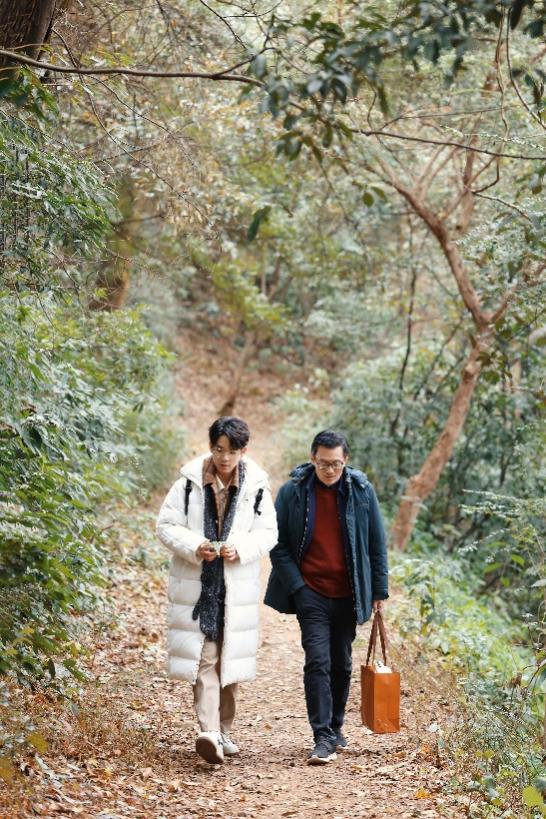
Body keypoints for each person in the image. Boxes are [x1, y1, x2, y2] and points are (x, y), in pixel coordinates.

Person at [156, 416, 278, 765]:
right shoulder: (189, 483)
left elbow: (268, 532)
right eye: (218, 449)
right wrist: (195, 545)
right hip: (199, 587)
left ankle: (223, 730)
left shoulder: (256, 487)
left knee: (229, 660)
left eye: (232, 451)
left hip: (236, 586)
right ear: (210, 447)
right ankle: (208, 731)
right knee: (205, 658)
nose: (224, 458)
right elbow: (165, 525)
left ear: (244, 451)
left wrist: (241, 549)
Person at [264, 429, 388, 765]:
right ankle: (321, 736)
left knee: (342, 663)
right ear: (312, 459)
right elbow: (277, 543)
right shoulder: (293, 492)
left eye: (335, 464)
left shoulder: (361, 492)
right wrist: (298, 587)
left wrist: (379, 591)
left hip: (349, 593)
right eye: (323, 464)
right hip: (311, 592)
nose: (329, 470)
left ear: (346, 460)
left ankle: (335, 726)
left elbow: (376, 544)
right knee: (317, 661)